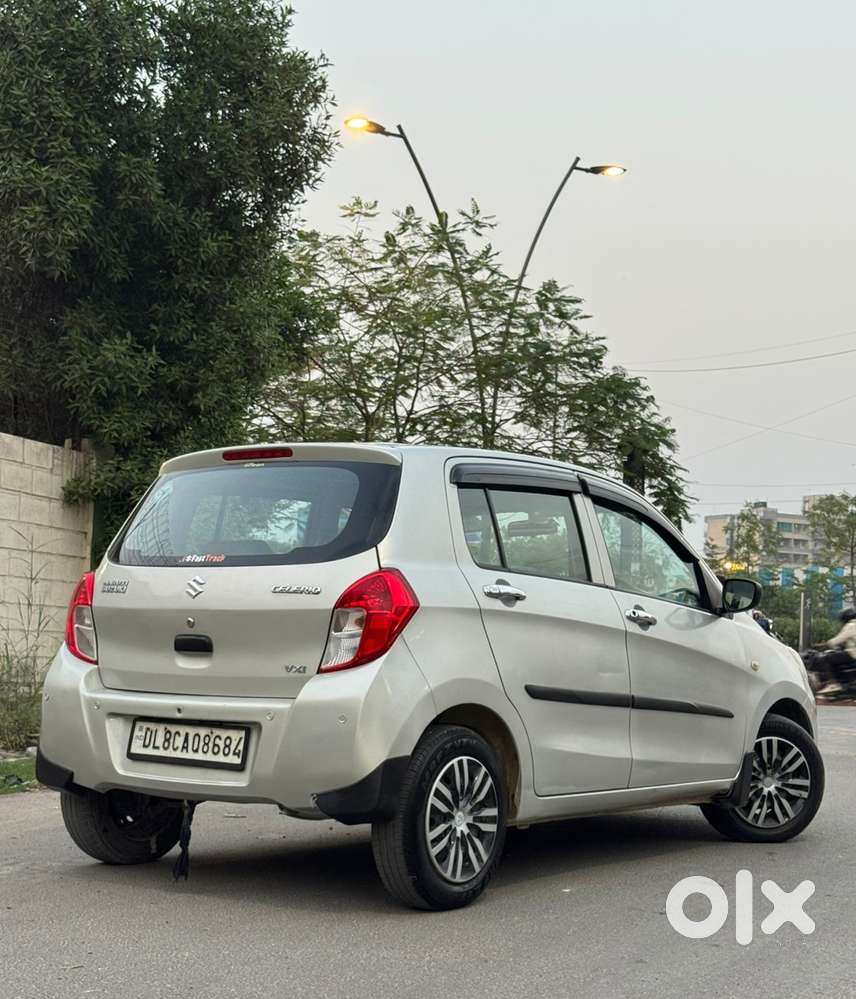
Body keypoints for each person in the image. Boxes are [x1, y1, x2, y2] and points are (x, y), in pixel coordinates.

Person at [816, 607, 856, 695]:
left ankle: (833, 684)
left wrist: (824, 645)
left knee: (825, 659)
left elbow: (837, 640)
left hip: (853, 654)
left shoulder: (851, 625)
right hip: (852, 653)